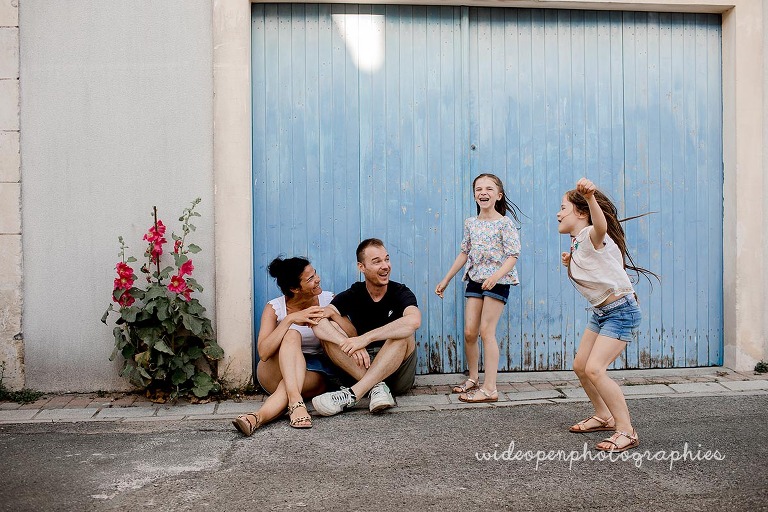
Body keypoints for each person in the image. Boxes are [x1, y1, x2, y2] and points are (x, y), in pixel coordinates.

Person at [557, 177, 657, 452]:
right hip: (602, 312)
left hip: (621, 312)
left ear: (581, 213)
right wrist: (571, 263)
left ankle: (626, 431)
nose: (558, 214)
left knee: (595, 369)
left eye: (563, 208)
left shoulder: (591, 232)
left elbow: (600, 226)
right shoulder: (579, 241)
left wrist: (590, 197)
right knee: (581, 366)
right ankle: (604, 416)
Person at [435, 173, 522, 403]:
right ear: (474, 195)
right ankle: (473, 378)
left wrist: (496, 276)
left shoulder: (505, 224)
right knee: (470, 332)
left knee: (486, 331)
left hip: (498, 281)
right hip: (475, 279)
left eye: (489, 189)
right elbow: (464, 252)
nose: (483, 193)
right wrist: (446, 279)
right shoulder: (471, 223)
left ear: (498, 195)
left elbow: (513, 256)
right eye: (479, 189)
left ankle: (490, 388)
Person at [310, 238, 421, 416]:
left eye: (387, 259)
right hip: (359, 367)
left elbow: (414, 321)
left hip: (396, 374)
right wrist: (346, 342)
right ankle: (377, 388)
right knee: (329, 334)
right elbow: (317, 321)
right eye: (377, 262)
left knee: (404, 333)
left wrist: (364, 339)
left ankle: (354, 394)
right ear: (361, 267)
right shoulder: (354, 293)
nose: (385, 266)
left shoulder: (400, 292)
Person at [232, 256, 335, 435]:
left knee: (288, 385)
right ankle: (296, 403)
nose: (317, 279)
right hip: (275, 368)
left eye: (315, 273)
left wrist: (331, 315)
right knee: (292, 335)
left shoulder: (328, 301)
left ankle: (255, 418)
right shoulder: (275, 307)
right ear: (295, 289)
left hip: (313, 371)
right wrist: (289, 320)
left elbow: (350, 335)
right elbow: (264, 353)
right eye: (310, 278)